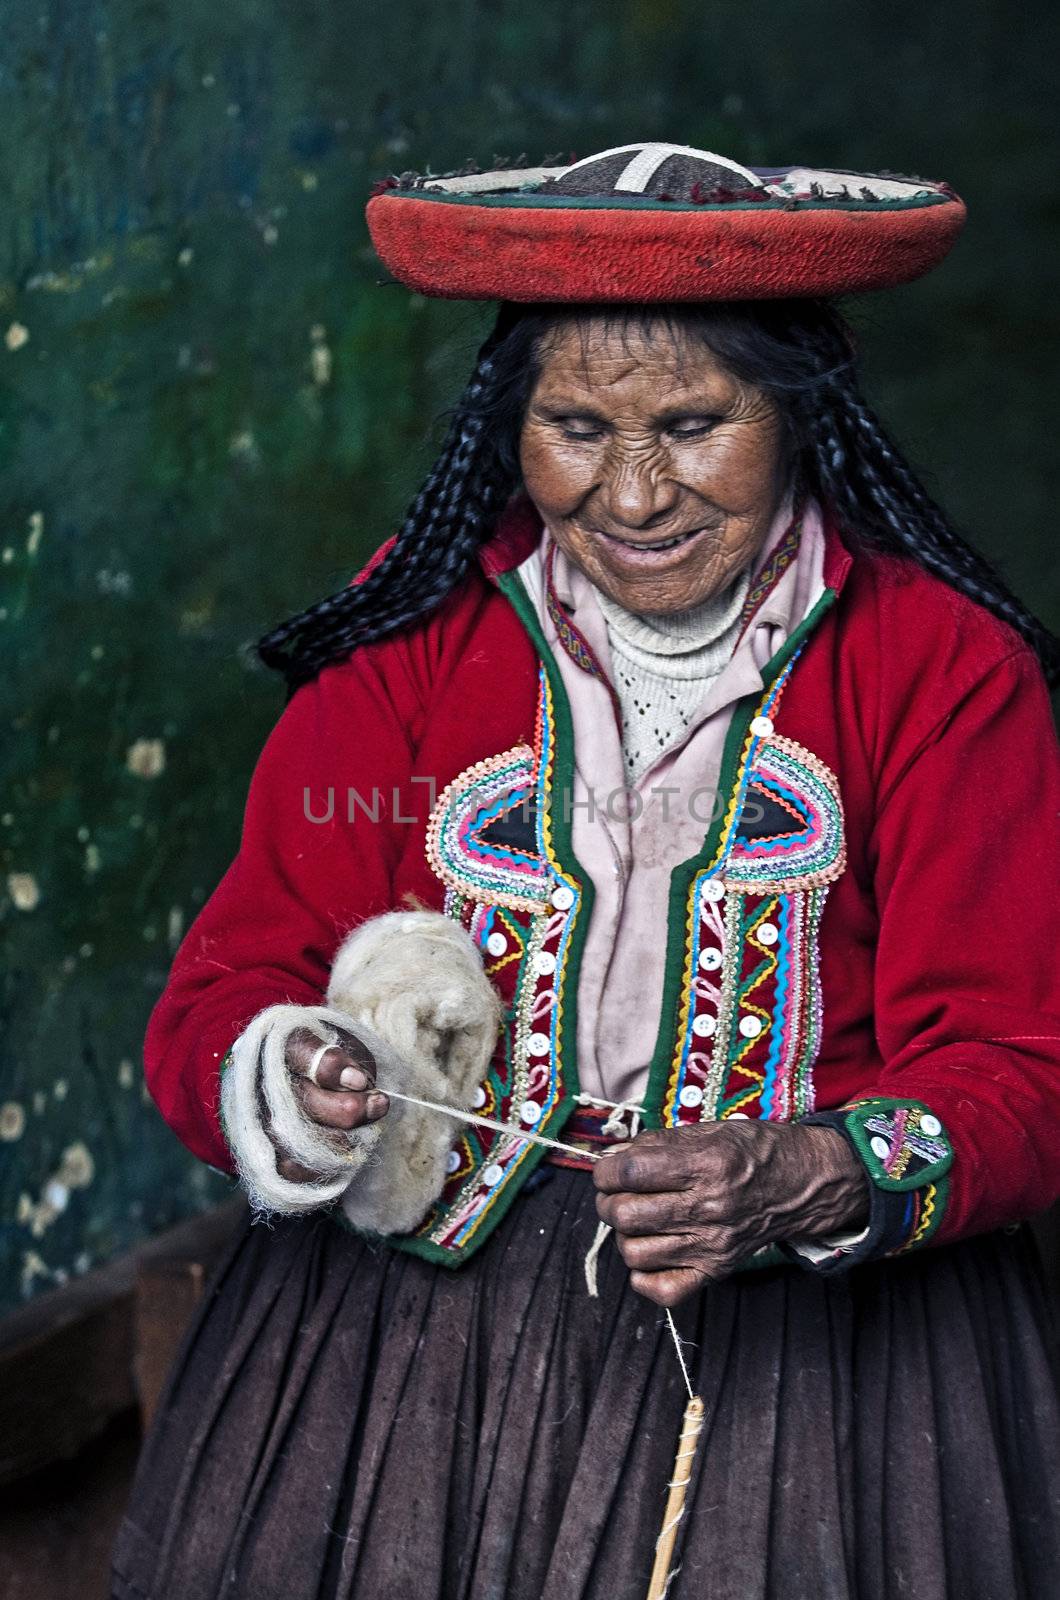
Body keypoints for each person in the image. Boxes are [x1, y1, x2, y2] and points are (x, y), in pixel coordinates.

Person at [112, 144, 1060, 1600]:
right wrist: (295, 1075)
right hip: (401, 1371)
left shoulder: (940, 672)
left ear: (802, 417)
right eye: (572, 427)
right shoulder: (407, 646)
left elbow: (1020, 1061)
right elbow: (223, 996)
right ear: (513, 431)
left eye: (693, 424)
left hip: (825, 1379)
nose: (630, 492)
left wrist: (810, 1169)